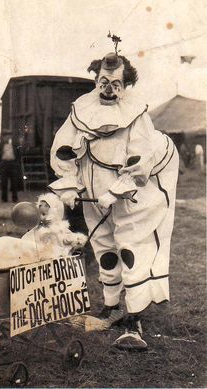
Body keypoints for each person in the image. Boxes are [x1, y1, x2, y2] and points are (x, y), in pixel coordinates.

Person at [49, 51, 179, 350]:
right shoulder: (81, 109)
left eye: (116, 83)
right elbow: (63, 148)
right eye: (103, 81)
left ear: (126, 84)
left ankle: (134, 318)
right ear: (96, 79)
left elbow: (140, 157)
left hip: (132, 194)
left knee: (130, 246)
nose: (109, 88)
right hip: (93, 189)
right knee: (103, 246)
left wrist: (117, 190)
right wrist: (69, 185)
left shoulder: (136, 114)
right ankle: (111, 306)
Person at [0, 129, 21, 203]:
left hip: (13, 164)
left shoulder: (15, 144)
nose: (6, 137)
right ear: (3, 137)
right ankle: (4, 199)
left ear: (10, 136)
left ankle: (15, 198)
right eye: (5, 136)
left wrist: (17, 164)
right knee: (4, 182)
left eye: (8, 136)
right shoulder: (1, 144)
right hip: (4, 164)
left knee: (14, 182)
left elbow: (18, 154)